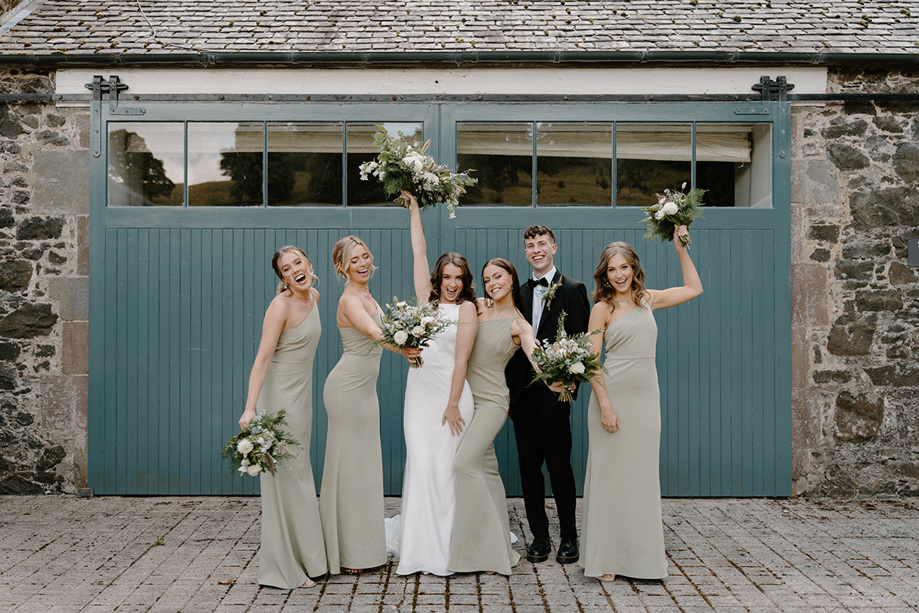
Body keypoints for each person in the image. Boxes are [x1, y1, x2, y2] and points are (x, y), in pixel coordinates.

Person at [580, 226, 702, 582]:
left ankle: (639, 559)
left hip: (647, 401)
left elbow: (695, 288)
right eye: (612, 269)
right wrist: (604, 405)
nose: (619, 275)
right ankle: (606, 560)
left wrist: (681, 250)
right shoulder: (601, 309)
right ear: (604, 273)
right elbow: (590, 361)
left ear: (634, 268)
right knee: (610, 480)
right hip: (612, 399)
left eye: (624, 268)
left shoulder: (648, 299)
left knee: (640, 480)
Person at [449, 258, 561, 575]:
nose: (492, 283)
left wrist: (554, 378)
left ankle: (486, 549)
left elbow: (536, 356)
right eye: (486, 279)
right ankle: (497, 541)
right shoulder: (478, 307)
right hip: (468, 400)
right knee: (487, 470)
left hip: (493, 402)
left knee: (463, 464)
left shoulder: (519, 323)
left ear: (512, 279)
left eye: (498, 276)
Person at [386, 191, 478, 576]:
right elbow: (419, 253)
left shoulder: (469, 309)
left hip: (452, 396)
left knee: (444, 469)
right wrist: (415, 211)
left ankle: (449, 548)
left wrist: (453, 403)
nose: (452, 284)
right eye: (447, 277)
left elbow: (462, 360)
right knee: (421, 465)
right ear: (438, 278)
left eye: (458, 278)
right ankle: (418, 547)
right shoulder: (425, 302)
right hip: (419, 395)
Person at [319, 235, 421, 575]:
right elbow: (375, 333)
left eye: (365, 257)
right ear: (342, 267)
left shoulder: (366, 293)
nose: (362, 264)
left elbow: (387, 328)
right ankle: (350, 554)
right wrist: (404, 348)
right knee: (351, 468)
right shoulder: (350, 299)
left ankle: (362, 547)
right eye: (354, 260)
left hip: (364, 390)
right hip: (347, 389)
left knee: (363, 467)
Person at [238, 245, 326, 589]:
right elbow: (262, 360)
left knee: (300, 474)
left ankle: (309, 558)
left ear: (308, 263)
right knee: (288, 478)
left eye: (298, 263)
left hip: (303, 397)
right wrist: (250, 407)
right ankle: (286, 567)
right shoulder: (280, 306)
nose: (295, 270)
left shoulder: (315, 296)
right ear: (283, 279)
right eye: (287, 269)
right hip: (280, 400)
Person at [505, 225, 590, 564]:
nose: (536, 249)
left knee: (559, 466)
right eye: (530, 245)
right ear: (525, 252)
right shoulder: (518, 293)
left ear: (554, 247)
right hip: (523, 397)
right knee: (529, 467)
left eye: (542, 243)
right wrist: (511, 396)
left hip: (556, 393)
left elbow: (584, 342)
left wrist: (571, 386)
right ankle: (539, 537)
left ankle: (569, 537)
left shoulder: (573, 289)